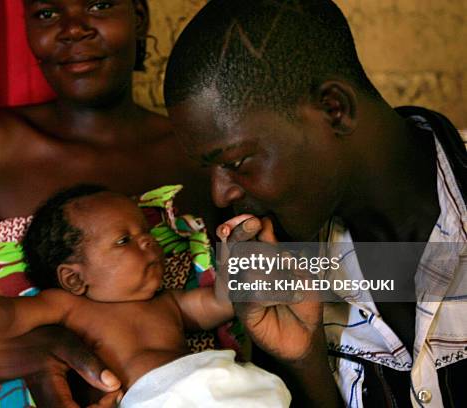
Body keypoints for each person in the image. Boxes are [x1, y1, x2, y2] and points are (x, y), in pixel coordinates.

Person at [0, 1, 217, 407]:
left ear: (138, 17)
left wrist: (315, 278)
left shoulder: (196, 148)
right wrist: (30, 349)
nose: (73, 29)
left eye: (100, 4)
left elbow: (268, 282)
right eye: (47, 13)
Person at [163, 0, 466, 407]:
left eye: (235, 162)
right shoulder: (283, 259)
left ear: (334, 109)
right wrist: (306, 363)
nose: (221, 194)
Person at [0, 184, 291, 407]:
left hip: (226, 385)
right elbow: (11, 315)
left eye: (146, 231)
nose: (149, 241)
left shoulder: (167, 302)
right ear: (74, 278)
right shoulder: (68, 307)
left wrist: (238, 257)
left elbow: (221, 302)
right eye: (125, 240)